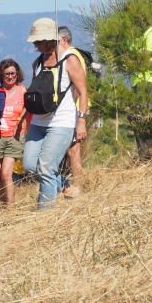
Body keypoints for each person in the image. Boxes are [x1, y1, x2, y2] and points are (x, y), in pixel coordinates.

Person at [23, 17, 89, 208]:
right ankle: (62, 183)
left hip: (62, 122)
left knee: (46, 168)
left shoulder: (70, 60)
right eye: (35, 42)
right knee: (29, 165)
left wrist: (81, 121)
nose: (36, 45)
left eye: (39, 41)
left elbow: (83, 92)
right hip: (38, 123)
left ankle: (46, 214)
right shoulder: (37, 63)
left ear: (51, 39)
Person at [0, 58, 26, 205]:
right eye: (7, 73)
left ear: (17, 74)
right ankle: (1, 206)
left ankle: (10, 209)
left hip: (14, 137)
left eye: (13, 73)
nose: (10, 76)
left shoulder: (22, 90)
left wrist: (20, 120)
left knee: (6, 174)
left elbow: (28, 107)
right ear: (1, 75)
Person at [57, 26, 89, 197]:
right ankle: (72, 187)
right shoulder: (69, 55)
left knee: (73, 152)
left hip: (75, 111)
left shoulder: (72, 57)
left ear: (64, 40)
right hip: (74, 111)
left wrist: (80, 119)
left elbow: (79, 88)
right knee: (70, 152)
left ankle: (80, 187)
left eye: (56, 41)